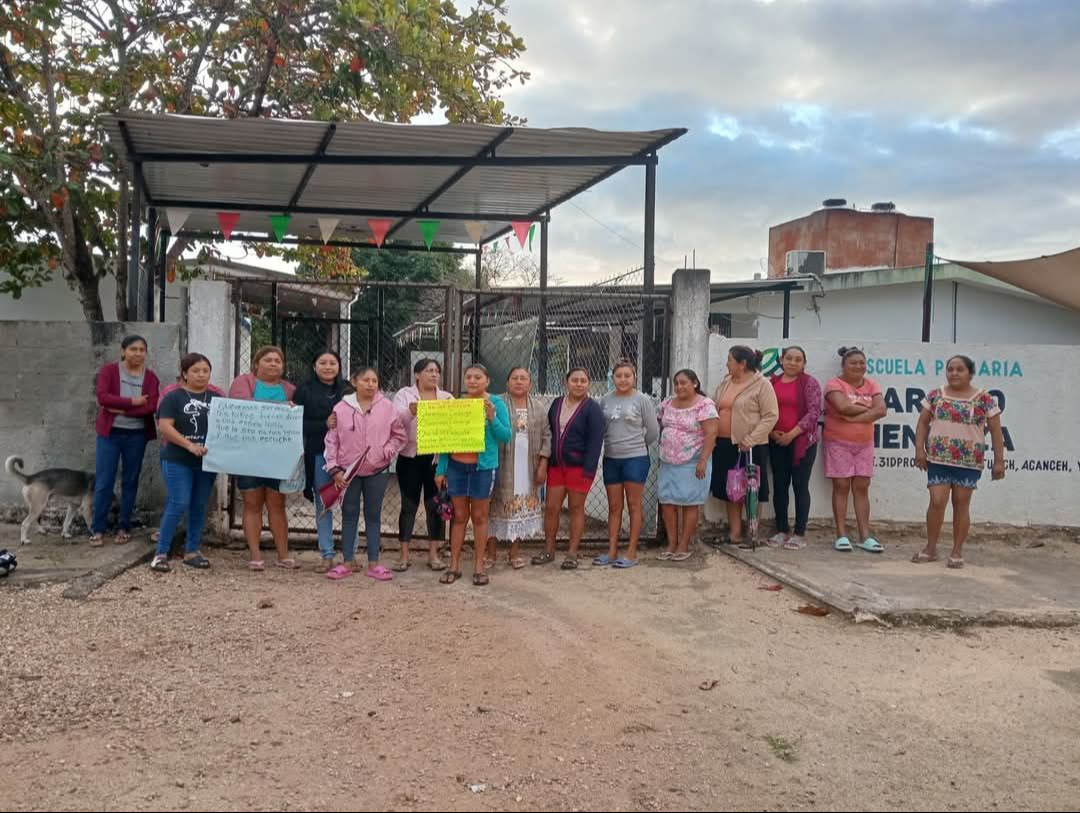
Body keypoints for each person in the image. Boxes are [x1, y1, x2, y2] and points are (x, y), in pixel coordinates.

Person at [913, 355, 1006, 568]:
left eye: (960, 369)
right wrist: (919, 449)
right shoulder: (936, 395)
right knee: (937, 501)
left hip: (968, 461)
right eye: (950, 369)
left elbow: (996, 431)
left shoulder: (984, 399)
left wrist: (999, 461)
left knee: (961, 505)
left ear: (970, 373)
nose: (954, 373)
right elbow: (922, 423)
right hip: (938, 458)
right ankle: (931, 548)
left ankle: (957, 551)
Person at [323, 366, 407, 581]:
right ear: (354, 382)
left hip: (376, 471)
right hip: (347, 473)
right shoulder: (341, 408)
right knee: (349, 515)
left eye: (374, 381)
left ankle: (374, 563)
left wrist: (386, 452)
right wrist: (334, 468)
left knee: (373, 516)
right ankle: (347, 562)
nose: (370, 384)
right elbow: (332, 439)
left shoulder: (387, 407)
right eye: (365, 380)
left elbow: (398, 435)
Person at [434, 364, 512, 586]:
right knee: (459, 516)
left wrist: (491, 418)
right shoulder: (457, 404)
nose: (473, 380)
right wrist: (441, 469)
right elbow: (446, 440)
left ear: (487, 380)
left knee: (480, 517)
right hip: (457, 467)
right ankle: (454, 565)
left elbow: (505, 435)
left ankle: (478, 566)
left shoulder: (496, 404)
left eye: (478, 377)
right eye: (469, 377)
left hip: (483, 468)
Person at [228, 345, 298, 571]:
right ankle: (255, 555)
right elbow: (240, 408)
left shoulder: (289, 389)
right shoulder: (243, 383)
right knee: (252, 502)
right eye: (268, 360)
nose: (273, 364)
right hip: (248, 454)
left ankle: (283, 554)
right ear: (256, 363)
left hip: (278, 456)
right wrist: (279, 407)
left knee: (278, 504)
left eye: (278, 360)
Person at [150, 353, 219, 573]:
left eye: (205, 371)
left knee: (199, 504)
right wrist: (189, 445)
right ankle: (161, 553)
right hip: (178, 458)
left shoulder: (218, 397)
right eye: (195, 371)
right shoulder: (174, 397)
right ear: (185, 374)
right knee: (179, 501)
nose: (201, 375)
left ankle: (192, 551)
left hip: (207, 462)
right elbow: (165, 426)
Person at [92, 334, 160, 546]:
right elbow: (103, 398)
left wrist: (121, 409)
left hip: (136, 435)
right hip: (110, 435)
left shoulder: (150, 378)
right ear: (123, 351)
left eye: (142, 350)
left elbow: (151, 407)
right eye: (133, 349)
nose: (138, 353)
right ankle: (98, 528)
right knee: (104, 481)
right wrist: (133, 401)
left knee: (130, 481)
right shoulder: (109, 371)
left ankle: (124, 526)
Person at [534, 368, 606, 570]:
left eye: (583, 380)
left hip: (579, 469)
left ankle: (572, 553)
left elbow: (595, 442)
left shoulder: (593, 409)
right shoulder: (557, 403)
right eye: (575, 380)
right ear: (567, 382)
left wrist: (588, 472)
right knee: (551, 508)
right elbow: (549, 433)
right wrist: (545, 462)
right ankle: (549, 550)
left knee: (576, 509)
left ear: (588, 384)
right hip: (556, 466)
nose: (579, 384)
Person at [710, 346, 778, 546]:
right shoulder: (726, 382)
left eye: (730, 360)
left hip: (750, 446)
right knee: (732, 489)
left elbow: (771, 415)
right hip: (724, 444)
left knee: (751, 490)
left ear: (742, 364)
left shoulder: (762, 384)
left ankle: (752, 534)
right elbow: (715, 406)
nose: (727, 364)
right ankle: (734, 533)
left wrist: (751, 438)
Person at [391, 358, 453, 572]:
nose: (434, 374)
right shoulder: (404, 395)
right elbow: (395, 419)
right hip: (410, 457)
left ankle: (434, 555)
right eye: (428, 371)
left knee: (435, 506)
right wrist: (411, 411)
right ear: (417, 374)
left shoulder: (447, 398)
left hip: (436, 459)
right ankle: (404, 555)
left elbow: (454, 425)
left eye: (436, 371)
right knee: (408, 506)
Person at [823, 346, 887, 553]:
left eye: (862, 363)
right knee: (841, 486)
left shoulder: (872, 384)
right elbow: (842, 407)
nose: (858, 366)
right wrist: (869, 410)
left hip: (864, 444)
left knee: (862, 486)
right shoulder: (834, 384)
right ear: (843, 365)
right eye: (853, 363)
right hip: (838, 442)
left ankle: (865, 536)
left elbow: (882, 410)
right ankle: (841, 535)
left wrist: (852, 416)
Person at [487, 367, 551, 570]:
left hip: (528, 466)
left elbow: (547, 436)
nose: (519, 381)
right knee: (494, 508)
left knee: (520, 508)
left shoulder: (539, 407)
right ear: (507, 382)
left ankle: (514, 554)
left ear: (530, 384)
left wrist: (543, 464)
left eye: (524, 378)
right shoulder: (497, 403)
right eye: (514, 378)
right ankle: (491, 554)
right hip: (502, 463)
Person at [597, 360, 659, 568]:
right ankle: (612, 550)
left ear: (634, 377)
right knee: (614, 507)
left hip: (636, 458)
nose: (623, 379)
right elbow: (601, 428)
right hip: (611, 458)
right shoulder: (605, 400)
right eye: (618, 376)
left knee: (634, 505)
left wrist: (637, 446)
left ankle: (631, 552)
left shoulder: (642, 399)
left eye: (627, 376)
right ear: (612, 378)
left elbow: (652, 431)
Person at [293, 350, 350, 573]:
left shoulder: (348, 390)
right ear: (314, 366)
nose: (328, 367)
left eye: (332, 363)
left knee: (350, 505)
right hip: (319, 453)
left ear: (339, 366)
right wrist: (324, 424)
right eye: (323, 363)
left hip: (347, 457)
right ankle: (326, 553)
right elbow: (297, 423)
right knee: (323, 504)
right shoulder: (304, 391)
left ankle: (350, 554)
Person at [657, 369, 719, 561]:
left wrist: (702, 460)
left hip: (693, 461)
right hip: (668, 461)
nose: (679, 387)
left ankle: (684, 545)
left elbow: (711, 434)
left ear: (695, 383)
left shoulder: (704, 405)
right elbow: (658, 422)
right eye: (676, 383)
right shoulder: (667, 402)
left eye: (683, 382)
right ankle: (671, 543)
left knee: (690, 502)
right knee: (667, 501)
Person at [767, 346, 822, 550]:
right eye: (789, 358)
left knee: (800, 486)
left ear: (804, 363)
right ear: (781, 360)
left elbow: (814, 412)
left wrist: (792, 434)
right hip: (776, 441)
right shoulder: (772, 383)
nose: (793, 362)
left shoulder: (810, 383)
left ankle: (799, 533)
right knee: (780, 486)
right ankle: (781, 530)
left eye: (798, 359)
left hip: (802, 443)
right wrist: (772, 432)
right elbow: (765, 410)